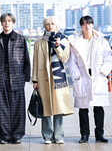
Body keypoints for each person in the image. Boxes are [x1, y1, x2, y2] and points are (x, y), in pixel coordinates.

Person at [66, 15, 112, 143]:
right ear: (81, 26)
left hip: (98, 77)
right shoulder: (75, 42)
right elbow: (71, 62)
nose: (87, 26)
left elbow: (109, 59)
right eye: (84, 24)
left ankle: (100, 134)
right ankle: (84, 135)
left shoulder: (101, 41)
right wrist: (76, 76)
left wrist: (103, 73)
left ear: (93, 25)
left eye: (90, 24)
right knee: (83, 109)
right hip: (82, 77)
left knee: (98, 108)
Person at [32, 16, 73, 144]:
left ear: (57, 25)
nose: (50, 26)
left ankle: (59, 136)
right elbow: (35, 62)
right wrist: (34, 80)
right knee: (45, 108)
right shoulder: (39, 43)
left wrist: (57, 46)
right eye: (48, 24)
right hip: (43, 78)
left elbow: (65, 59)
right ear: (44, 26)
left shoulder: (64, 40)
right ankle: (47, 136)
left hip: (58, 77)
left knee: (58, 107)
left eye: (53, 23)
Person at [0, 13, 31, 144]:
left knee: (18, 108)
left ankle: (17, 135)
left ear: (13, 23)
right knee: (2, 107)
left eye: (9, 21)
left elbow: (26, 59)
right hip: (1, 77)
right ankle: (5, 135)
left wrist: (26, 77)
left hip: (17, 77)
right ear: (1, 23)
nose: (7, 23)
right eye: (4, 21)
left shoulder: (20, 39)